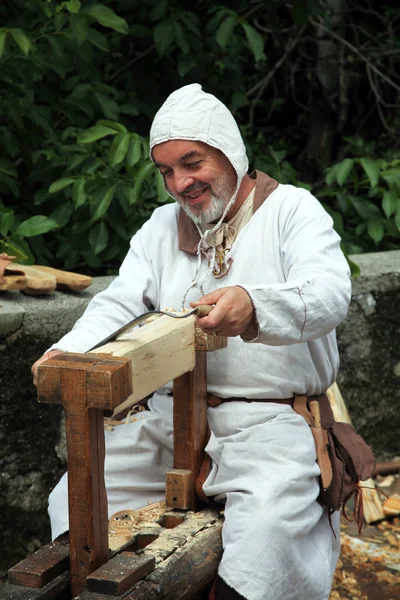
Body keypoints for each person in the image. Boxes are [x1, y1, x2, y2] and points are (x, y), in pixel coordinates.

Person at [32, 83, 352, 600]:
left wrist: (254, 303)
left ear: (228, 152)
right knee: (74, 499)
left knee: (268, 532)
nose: (181, 183)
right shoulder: (162, 227)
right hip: (167, 420)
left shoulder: (292, 211)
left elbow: (330, 292)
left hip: (269, 424)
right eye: (166, 171)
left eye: (192, 162)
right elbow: (119, 304)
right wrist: (70, 351)